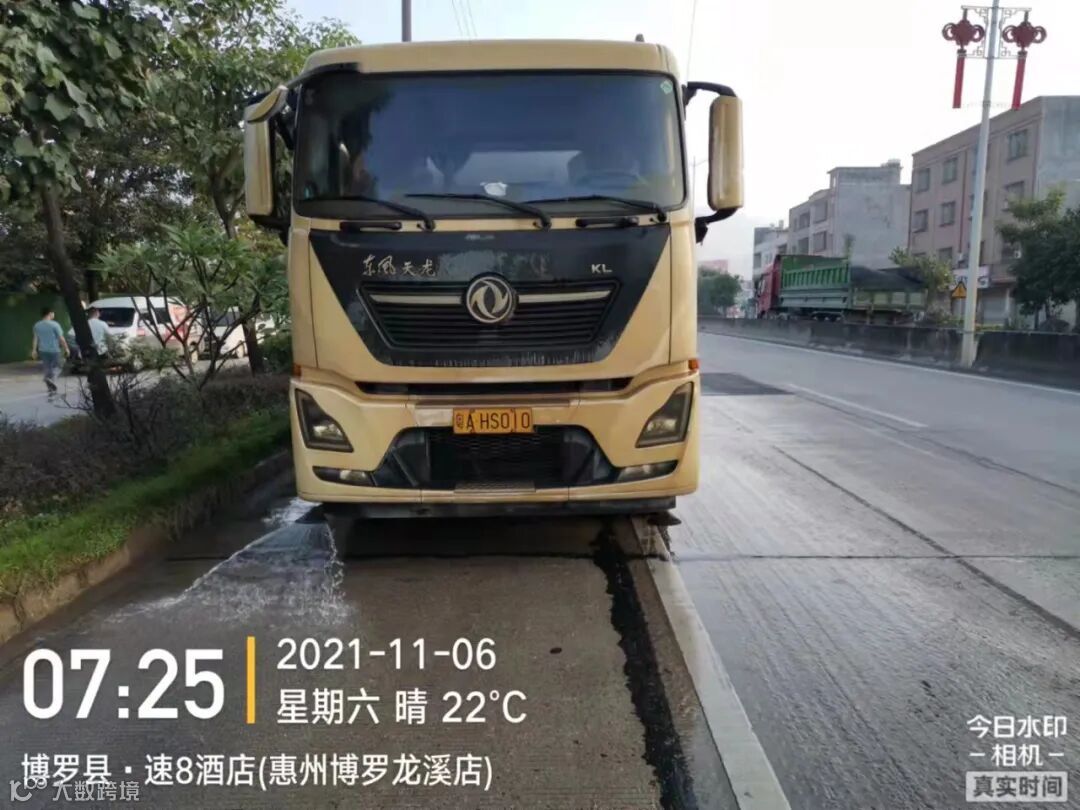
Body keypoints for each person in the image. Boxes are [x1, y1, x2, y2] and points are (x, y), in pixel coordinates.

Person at [30, 306, 70, 397]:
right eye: (53, 313)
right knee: (59, 366)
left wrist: (34, 350)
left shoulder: (37, 325)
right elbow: (61, 338)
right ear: (50, 313)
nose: (54, 314)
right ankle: (51, 379)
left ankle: (50, 386)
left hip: (42, 350)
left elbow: (35, 338)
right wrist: (66, 348)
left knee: (47, 367)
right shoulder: (55, 325)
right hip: (54, 349)